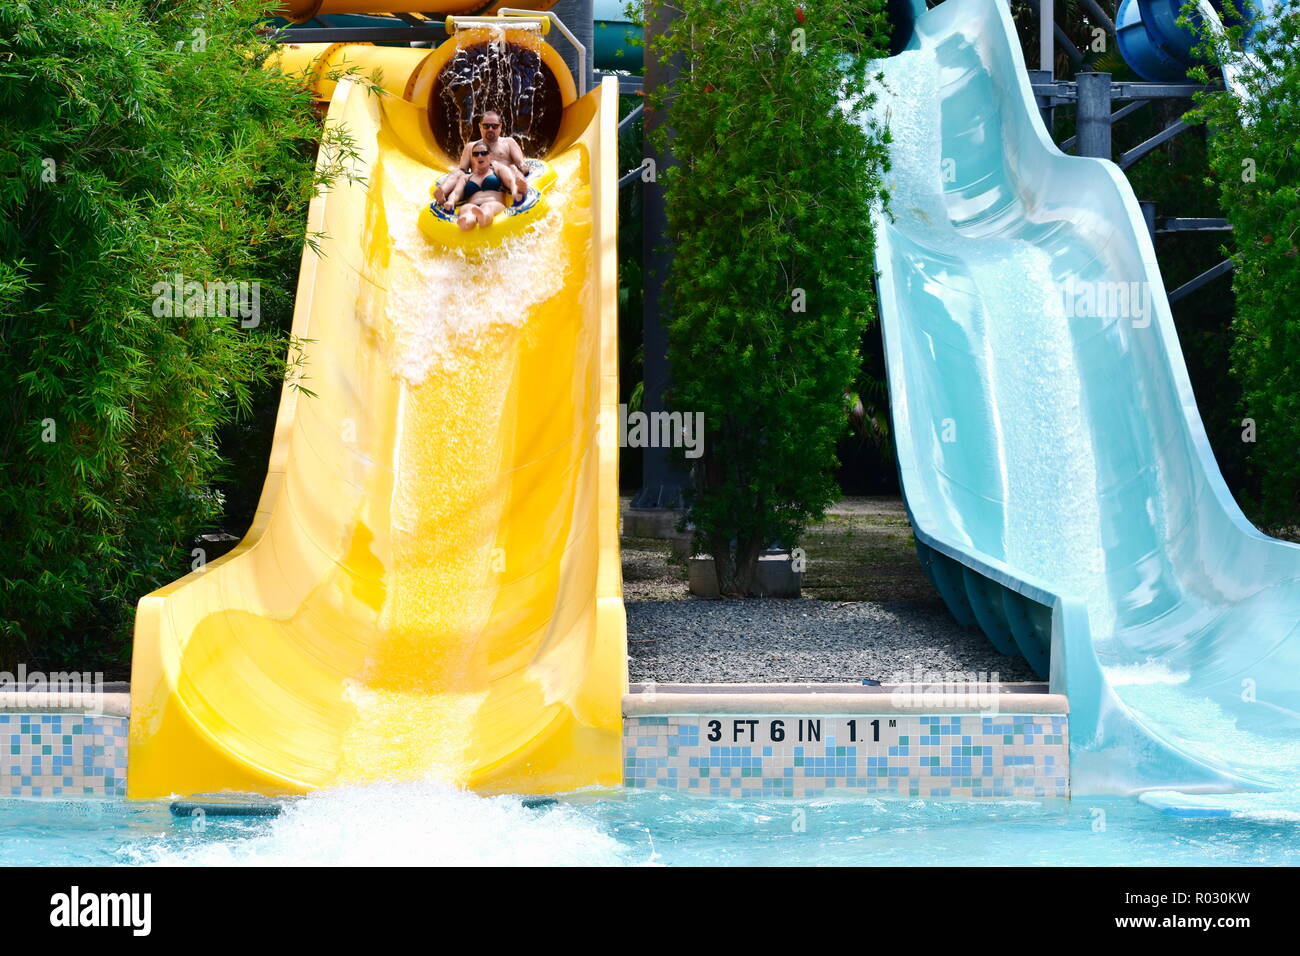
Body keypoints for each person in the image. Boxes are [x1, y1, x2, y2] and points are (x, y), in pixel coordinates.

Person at [434, 111, 529, 206]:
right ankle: (442, 191)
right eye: (486, 126)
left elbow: (521, 163)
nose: (490, 129)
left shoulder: (508, 142)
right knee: (458, 172)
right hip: (477, 183)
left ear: (500, 126)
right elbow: (462, 171)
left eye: (494, 126)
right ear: (480, 127)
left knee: (514, 169)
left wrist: (523, 171)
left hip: (502, 181)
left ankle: (519, 190)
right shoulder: (470, 147)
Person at [444, 143, 523, 231]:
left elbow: (511, 181)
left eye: (484, 153)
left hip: (493, 203)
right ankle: (466, 222)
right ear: (472, 158)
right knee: (467, 209)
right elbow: (456, 193)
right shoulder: (466, 178)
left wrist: (515, 192)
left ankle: (483, 218)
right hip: (472, 204)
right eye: (475, 154)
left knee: (487, 207)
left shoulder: (498, 170)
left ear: (491, 156)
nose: (479, 156)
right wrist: (451, 201)